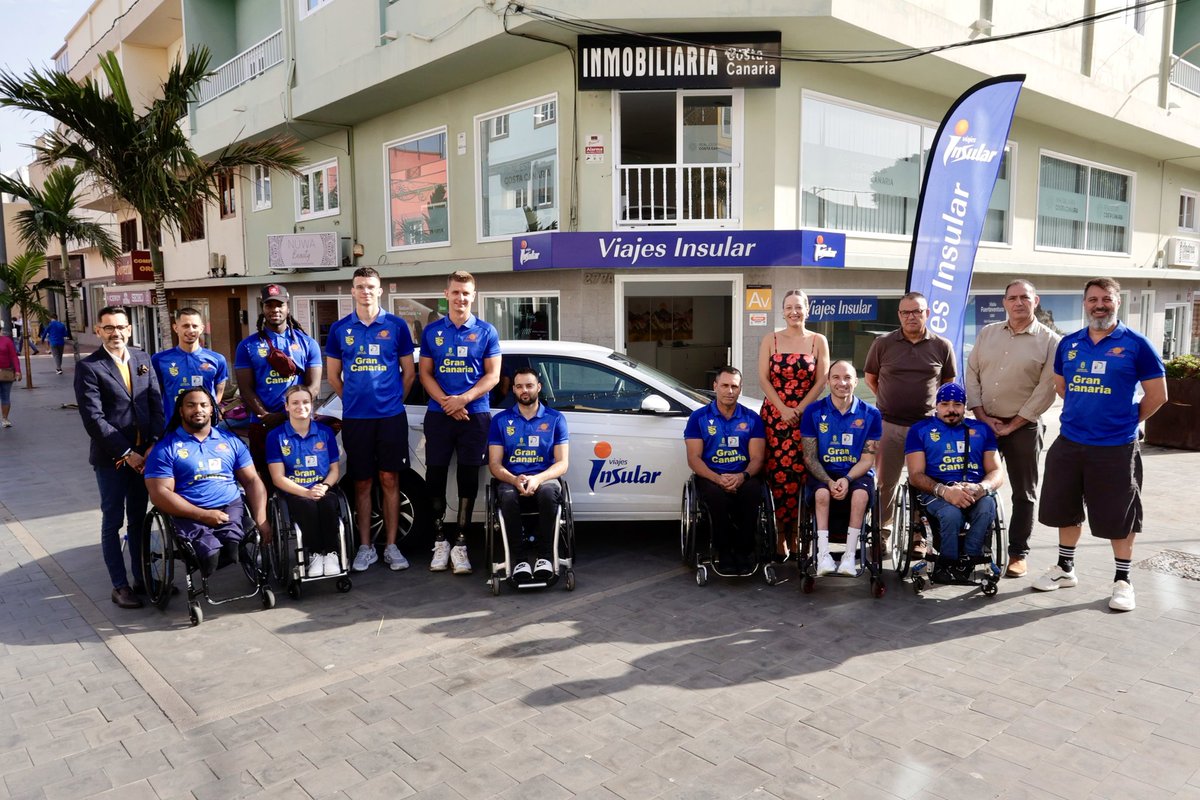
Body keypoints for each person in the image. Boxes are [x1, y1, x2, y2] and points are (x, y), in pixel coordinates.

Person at [1033, 278, 1167, 612]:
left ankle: (1123, 581)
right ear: (1085, 304)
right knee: (1065, 507)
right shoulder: (1070, 343)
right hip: (1070, 442)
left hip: (1116, 447)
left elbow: (1158, 395)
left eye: (1106, 299)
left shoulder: (1137, 344)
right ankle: (1065, 569)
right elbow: (1062, 385)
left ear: (1117, 303)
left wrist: (1126, 420)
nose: (1099, 305)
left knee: (1118, 516)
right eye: (1093, 299)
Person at [325, 267, 416, 573]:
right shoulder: (340, 329)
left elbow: (409, 373)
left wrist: (392, 402)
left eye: (371, 286)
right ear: (352, 291)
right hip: (356, 418)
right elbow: (332, 376)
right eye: (360, 286)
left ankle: (391, 547)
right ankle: (365, 547)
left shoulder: (397, 326)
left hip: (390, 418)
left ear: (381, 291)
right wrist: (351, 399)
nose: (365, 291)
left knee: (390, 479)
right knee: (361, 482)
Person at [966, 280, 1060, 578]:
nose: (1018, 303)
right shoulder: (987, 333)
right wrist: (981, 415)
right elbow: (972, 374)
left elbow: (1047, 388)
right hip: (984, 425)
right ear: (1004, 302)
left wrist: (1015, 422)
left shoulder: (1049, 341)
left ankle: (1018, 553)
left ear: (1036, 301)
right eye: (1012, 298)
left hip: (1024, 428)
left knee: (1024, 493)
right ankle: (975, 546)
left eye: (1024, 298)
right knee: (976, 487)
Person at [74, 306, 164, 609]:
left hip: (144, 456)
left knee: (139, 519)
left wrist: (152, 444)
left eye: (121, 327)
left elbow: (155, 403)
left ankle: (143, 578)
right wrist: (127, 454)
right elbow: (94, 419)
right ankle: (120, 585)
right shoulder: (89, 367)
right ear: (99, 331)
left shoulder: (142, 358)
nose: (116, 333)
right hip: (112, 460)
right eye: (109, 328)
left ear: (129, 329)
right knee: (113, 521)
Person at [419, 270, 501, 575]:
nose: (460, 298)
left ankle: (462, 543)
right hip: (439, 415)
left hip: (474, 415)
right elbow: (425, 373)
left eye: (466, 293)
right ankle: (440, 541)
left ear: (473, 296)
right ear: (446, 294)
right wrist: (446, 402)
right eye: (455, 292)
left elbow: (492, 376)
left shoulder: (486, 331)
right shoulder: (432, 332)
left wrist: (462, 400)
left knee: (468, 478)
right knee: (436, 478)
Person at [145, 387, 271, 577]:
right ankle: (220, 542)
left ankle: (236, 533)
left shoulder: (230, 441)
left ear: (212, 409)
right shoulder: (165, 448)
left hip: (230, 506)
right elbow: (160, 494)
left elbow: (252, 480)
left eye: (204, 405)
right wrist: (203, 515)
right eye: (191, 405)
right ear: (181, 411)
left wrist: (261, 519)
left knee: (231, 550)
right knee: (210, 559)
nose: (198, 410)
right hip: (190, 512)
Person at [864, 291, 956, 550]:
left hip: (927, 428)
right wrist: (889, 399)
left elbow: (948, 384)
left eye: (917, 311)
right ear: (899, 315)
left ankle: (919, 535)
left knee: (924, 481)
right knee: (885, 483)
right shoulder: (883, 343)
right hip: (889, 425)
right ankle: (881, 535)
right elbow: (871, 378)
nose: (911, 317)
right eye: (906, 312)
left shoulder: (942, 345)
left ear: (928, 313)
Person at [905, 383, 1005, 583]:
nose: (951, 409)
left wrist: (981, 488)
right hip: (935, 491)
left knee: (988, 504)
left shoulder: (981, 430)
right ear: (936, 405)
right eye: (945, 404)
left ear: (965, 407)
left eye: (957, 404)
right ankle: (946, 562)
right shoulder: (920, 430)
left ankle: (968, 559)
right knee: (951, 513)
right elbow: (915, 474)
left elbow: (996, 471)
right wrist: (944, 491)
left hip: (973, 490)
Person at [757, 289, 829, 559]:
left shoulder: (818, 340)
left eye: (799, 307)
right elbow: (763, 379)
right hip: (774, 419)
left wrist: (799, 409)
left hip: (805, 417)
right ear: (782, 310)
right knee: (776, 475)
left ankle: (798, 533)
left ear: (807, 310)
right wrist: (782, 408)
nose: (794, 312)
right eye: (788, 307)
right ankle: (779, 534)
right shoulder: (770, 340)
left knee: (802, 474)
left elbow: (822, 380)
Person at [799, 360, 883, 576]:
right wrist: (828, 481)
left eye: (847, 378)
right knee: (821, 494)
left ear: (856, 382)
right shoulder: (813, 412)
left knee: (861, 496)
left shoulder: (871, 414)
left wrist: (846, 478)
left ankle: (848, 557)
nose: (842, 383)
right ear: (827, 382)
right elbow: (809, 457)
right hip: (824, 472)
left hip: (855, 472)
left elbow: (867, 459)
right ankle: (823, 554)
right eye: (836, 377)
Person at [487, 367, 569, 584]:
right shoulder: (500, 421)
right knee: (506, 496)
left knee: (549, 493)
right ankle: (520, 560)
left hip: (544, 477)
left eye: (529, 385)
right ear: (513, 389)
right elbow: (494, 464)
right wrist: (515, 480)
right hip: (511, 478)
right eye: (520, 386)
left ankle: (544, 557)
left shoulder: (555, 419)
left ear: (538, 387)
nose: (525, 390)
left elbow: (563, 463)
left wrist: (538, 479)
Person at [684, 367, 767, 571]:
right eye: (725, 385)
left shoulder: (752, 418)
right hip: (711, 475)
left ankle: (744, 550)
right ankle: (724, 551)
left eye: (734, 386)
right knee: (716, 498)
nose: (729, 391)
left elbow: (757, 458)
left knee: (753, 492)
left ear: (740, 390)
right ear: (715, 387)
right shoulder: (698, 418)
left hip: (743, 475)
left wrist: (742, 476)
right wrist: (717, 479)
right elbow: (693, 459)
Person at [234, 284, 322, 472]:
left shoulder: (307, 343)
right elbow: (246, 389)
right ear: (263, 308)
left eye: (279, 305)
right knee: (265, 481)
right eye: (269, 305)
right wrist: (266, 417)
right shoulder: (247, 346)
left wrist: (285, 415)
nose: (275, 310)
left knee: (302, 476)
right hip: (262, 425)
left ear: (287, 307)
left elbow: (313, 388)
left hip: (299, 423)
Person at [266, 386, 342, 577]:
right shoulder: (275, 436)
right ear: (287, 407)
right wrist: (306, 492)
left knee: (328, 503)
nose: (301, 406)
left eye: (306, 402)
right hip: (295, 490)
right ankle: (315, 554)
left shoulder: (325, 433)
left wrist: (324, 487)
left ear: (312, 405)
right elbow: (278, 477)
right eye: (295, 403)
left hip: (322, 487)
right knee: (306, 506)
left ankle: (331, 554)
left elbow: (334, 470)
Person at [152, 307, 229, 423]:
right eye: (185, 326)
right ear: (175, 328)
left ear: (202, 328)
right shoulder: (159, 360)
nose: (191, 330)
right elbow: (156, 393)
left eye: (195, 326)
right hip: (173, 427)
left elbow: (219, 389)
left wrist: (211, 407)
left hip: (206, 427)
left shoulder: (217, 360)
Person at [0, 327, 20, 427]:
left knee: (5, 396)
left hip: (6, 373)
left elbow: (13, 356)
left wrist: (17, 371)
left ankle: (5, 418)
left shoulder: (7, 341)